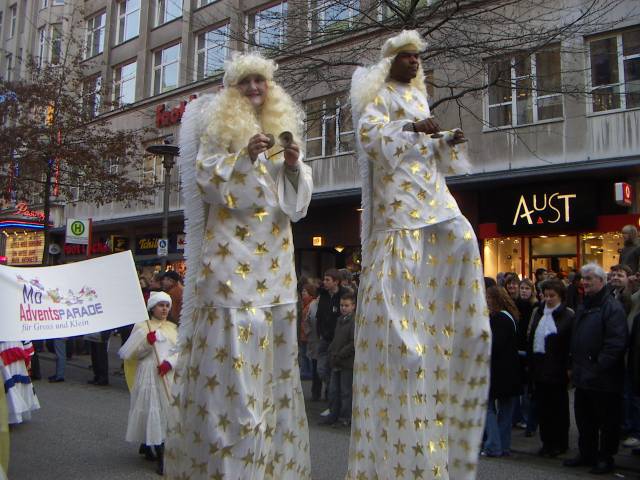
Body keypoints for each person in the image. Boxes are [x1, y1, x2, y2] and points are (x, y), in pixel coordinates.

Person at [347, 30, 491, 479]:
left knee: (463, 234)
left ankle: (448, 310)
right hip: (401, 203)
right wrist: (410, 128)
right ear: (391, 61)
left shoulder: (418, 96)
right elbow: (370, 137)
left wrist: (446, 140)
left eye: (416, 58)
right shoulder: (381, 96)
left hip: (432, 194)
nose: (413, 63)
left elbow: (430, 152)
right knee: (406, 257)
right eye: (406, 57)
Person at [165, 52, 312, 479]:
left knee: (272, 369)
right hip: (230, 263)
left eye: (260, 81)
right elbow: (208, 183)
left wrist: (292, 166)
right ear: (232, 90)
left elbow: (296, 205)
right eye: (245, 82)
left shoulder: (280, 129)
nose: (253, 88)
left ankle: (268, 465)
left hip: (275, 265)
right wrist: (245, 156)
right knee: (231, 367)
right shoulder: (217, 132)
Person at [564, 263, 628, 474]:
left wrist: (599, 365)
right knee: (584, 419)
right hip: (583, 374)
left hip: (603, 377)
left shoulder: (611, 307)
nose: (585, 282)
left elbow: (616, 343)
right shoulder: (585, 304)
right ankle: (587, 453)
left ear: (602, 280)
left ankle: (605, 457)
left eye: (589, 278)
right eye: (583, 278)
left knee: (607, 421)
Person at [119, 291, 177, 476]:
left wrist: (170, 363)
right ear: (152, 308)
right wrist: (147, 343)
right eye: (161, 305)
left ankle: (150, 444)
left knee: (166, 412)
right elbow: (131, 353)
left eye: (167, 306)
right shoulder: (142, 327)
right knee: (151, 408)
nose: (164, 309)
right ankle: (160, 455)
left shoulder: (173, 328)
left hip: (167, 375)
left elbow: (179, 351)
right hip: (149, 373)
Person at [527, 279, 574, 457]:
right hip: (540, 369)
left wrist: (569, 367)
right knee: (543, 409)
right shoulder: (539, 313)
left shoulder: (568, 315)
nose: (548, 299)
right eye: (545, 295)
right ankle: (546, 442)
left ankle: (560, 443)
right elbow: (531, 338)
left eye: (552, 296)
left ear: (560, 296)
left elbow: (570, 344)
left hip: (558, 370)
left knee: (558, 410)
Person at [483, 286, 522, 457]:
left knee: (489, 408)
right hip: (510, 370)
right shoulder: (510, 317)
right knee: (506, 410)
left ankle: (493, 445)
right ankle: (503, 445)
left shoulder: (498, 319)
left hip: (497, 370)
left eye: (488, 298)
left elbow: (494, 345)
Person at [320, 292, 356, 427]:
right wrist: (331, 352)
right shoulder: (340, 320)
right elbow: (336, 339)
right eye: (341, 305)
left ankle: (344, 417)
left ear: (353, 306)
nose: (343, 308)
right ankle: (333, 414)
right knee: (334, 390)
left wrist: (340, 354)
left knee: (345, 392)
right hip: (336, 360)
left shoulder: (354, 322)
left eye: (346, 305)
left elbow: (352, 342)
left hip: (346, 362)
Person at [315, 268, 348, 404]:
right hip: (324, 338)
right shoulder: (323, 295)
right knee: (321, 369)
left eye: (328, 280)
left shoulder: (344, 295)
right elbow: (319, 315)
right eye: (324, 279)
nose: (324, 282)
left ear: (336, 282)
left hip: (337, 339)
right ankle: (331, 389)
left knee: (334, 369)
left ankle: (333, 398)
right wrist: (320, 332)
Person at [0, 341, 39, 424]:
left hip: (7, 348)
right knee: (12, 382)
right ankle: (13, 413)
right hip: (14, 348)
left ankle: (12, 413)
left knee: (9, 382)